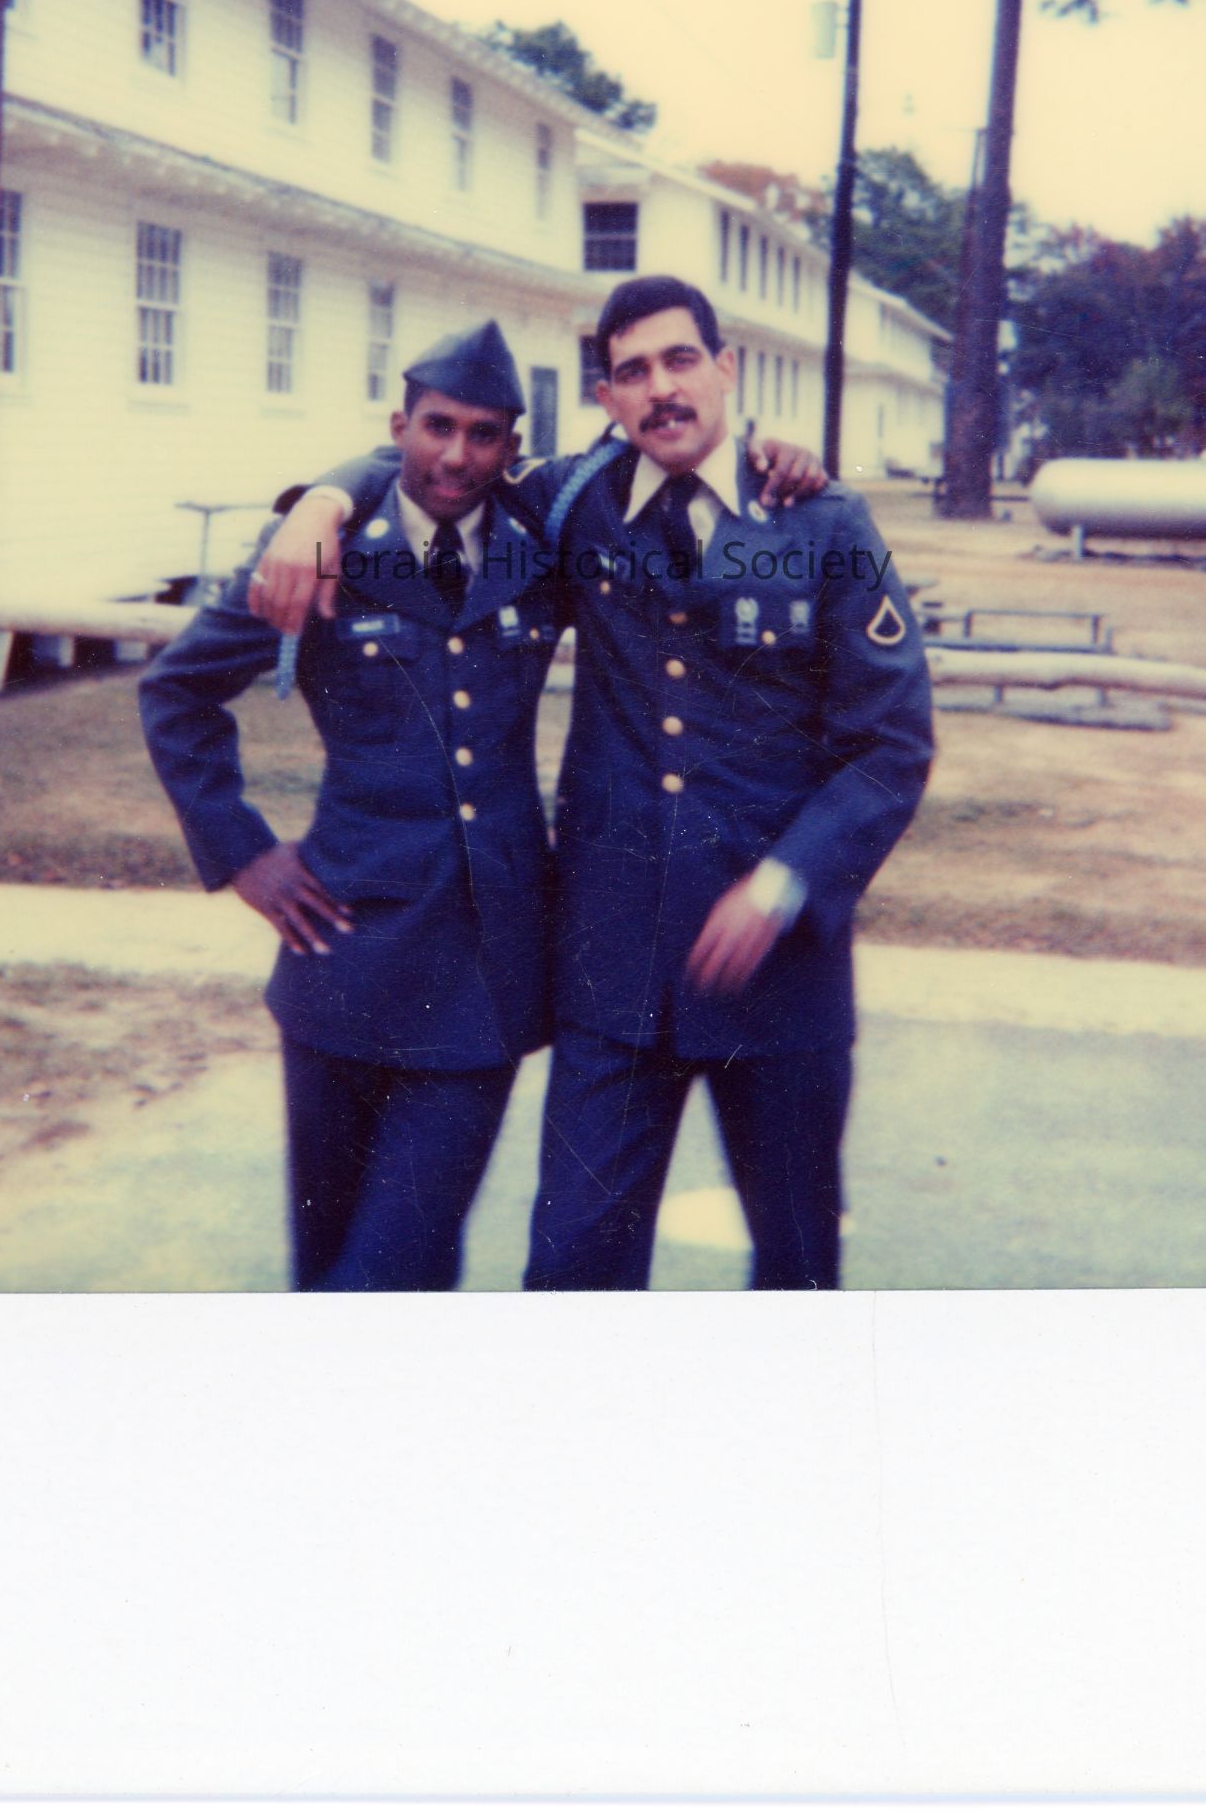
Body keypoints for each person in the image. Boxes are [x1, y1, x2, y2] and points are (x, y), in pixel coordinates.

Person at [261, 275, 935, 1291]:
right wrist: (323, 498)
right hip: (612, 969)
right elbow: (442, 463)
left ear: (726, 369)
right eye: (632, 371)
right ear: (606, 397)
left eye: (679, 360)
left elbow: (892, 743)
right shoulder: (572, 503)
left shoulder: (825, 523)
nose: (660, 388)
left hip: (779, 978)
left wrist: (784, 882)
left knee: (798, 1266)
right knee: (573, 1268)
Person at [137, 320, 561, 1292]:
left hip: (484, 968)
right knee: (328, 1263)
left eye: (484, 434)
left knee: (393, 1266)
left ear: (511, 447)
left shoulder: (541, 541)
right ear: (398, 425)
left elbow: (636, 466)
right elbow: (176, 690)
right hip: (341, 949)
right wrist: (241, 852)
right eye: (437, 426)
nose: (457, 455)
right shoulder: (323, 552)